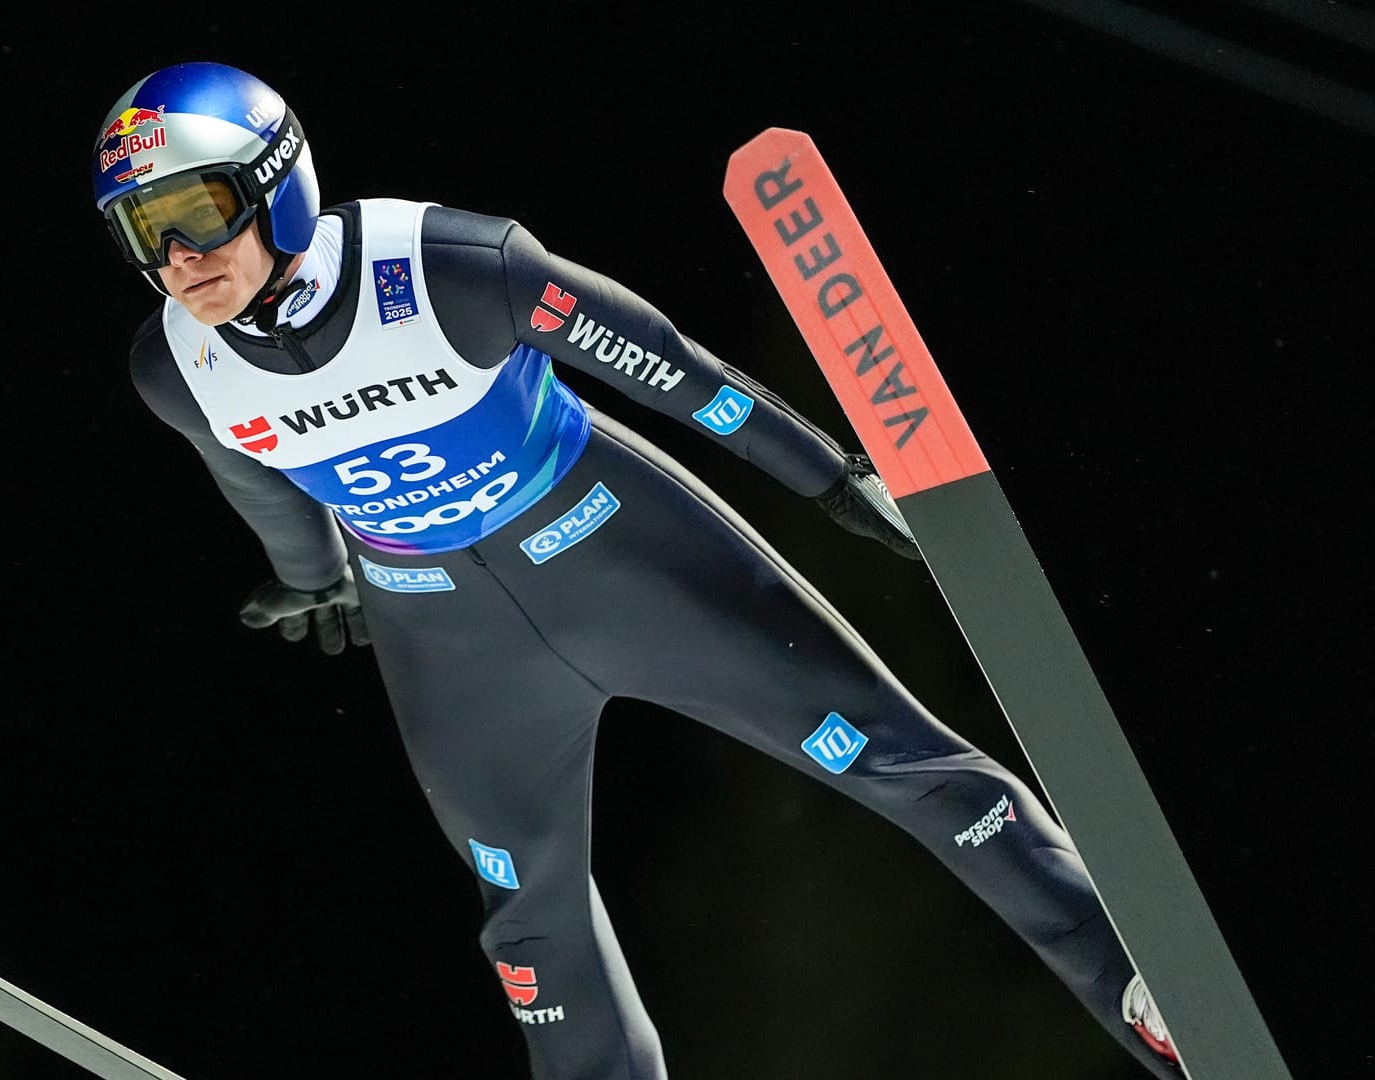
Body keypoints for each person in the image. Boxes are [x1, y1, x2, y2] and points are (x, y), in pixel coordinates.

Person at [95, 60, 1178, 1080]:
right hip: (451, 640)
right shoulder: (172, 367)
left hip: (622, 555)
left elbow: (666, 367)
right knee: (528, 918)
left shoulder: (446, 268)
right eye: (145, 231)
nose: (179, 258)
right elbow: (261, 477)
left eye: (198, 212)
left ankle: (1139, 985)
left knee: (900, 765)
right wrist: (316, 574)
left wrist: (833, 481)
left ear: (277, 190)